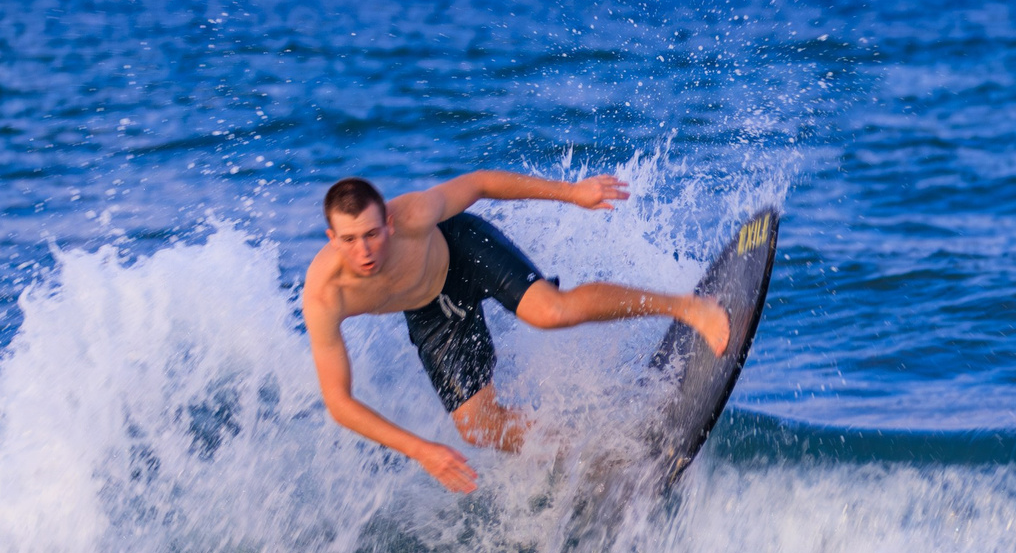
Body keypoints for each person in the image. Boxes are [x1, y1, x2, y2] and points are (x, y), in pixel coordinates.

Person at [301, 171, 731, 493]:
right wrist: (421, 450)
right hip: (430, 310)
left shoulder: (414, 215)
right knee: (477, 426)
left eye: (373, 234)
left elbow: (482, 184)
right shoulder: (325, 297)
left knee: (548, 311)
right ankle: (600, 455)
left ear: (389, 223)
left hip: (461, 249)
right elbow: (339, 402)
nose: (364, 251)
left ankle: (687, 307)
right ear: (332, 238)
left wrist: (573, 193)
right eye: (351, 239)